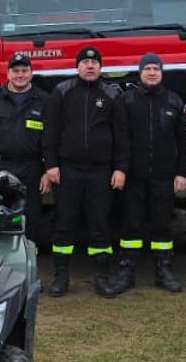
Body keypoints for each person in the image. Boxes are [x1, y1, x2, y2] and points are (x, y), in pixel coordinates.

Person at [42, 46, 128, 298]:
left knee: (99, 224)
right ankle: (60, 276)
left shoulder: (112, 94)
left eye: (94, 62)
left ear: (101, 67)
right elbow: (50, 131)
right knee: (64, 223)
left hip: (101, 171)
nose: (90, 66)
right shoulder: (62, 92)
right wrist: (51, 165)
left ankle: (102, 277)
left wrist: (121, 168)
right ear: (77, 66)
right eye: (85, 62)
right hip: (67, 171)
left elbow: (122, 137)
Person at [115, 53, 186, 292]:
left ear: (161, 73)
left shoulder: (173, 101)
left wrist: (182, 173)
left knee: (162, 224)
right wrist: (120, 169)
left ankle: (164, 270)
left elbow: (183, 141)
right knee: (131, 224)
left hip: (164, 176)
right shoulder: (126, 101)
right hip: (133, 176)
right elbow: (120, 139)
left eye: (155, 69)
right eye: (147, 68)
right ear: (139, 73)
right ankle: (127, 271)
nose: (151, 72)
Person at [0, 52, 51, 246]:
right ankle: (2, 257)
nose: (20, 75)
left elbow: (51, 139)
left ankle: (28, 254)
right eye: (15, 71)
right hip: (0, 168)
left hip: (32, 169)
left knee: (30, 217)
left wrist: (47, 171)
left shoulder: (44, 100)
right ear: (8, 74)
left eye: (24, 71)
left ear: (31, 73)